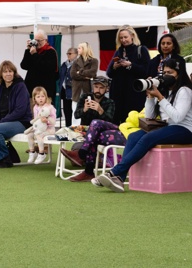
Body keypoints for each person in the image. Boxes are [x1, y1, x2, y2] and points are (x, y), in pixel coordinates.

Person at [93, 59, 192, 192]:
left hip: (185, 130)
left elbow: (178, 117)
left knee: (148, 138)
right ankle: (119, 179)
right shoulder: (166, 90)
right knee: (134, 136)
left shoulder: (184, 91)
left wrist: (160, 98)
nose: (167, 75)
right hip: (169, 127)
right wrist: (150, 97)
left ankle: (114, 172)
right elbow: (150, 116)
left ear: (179, 74)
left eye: (171, 72)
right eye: (165, 72)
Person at [60, 76, 119, 182]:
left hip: (101, 134)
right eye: (96, 87)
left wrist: (100, 111)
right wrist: (85, 109)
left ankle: (81, 155)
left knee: (95, 124)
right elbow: (76, 115)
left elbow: (110, 122)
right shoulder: (84, 97)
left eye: (101, 87)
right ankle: (86, 164)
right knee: (77, 142)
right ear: (93, 87)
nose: (98, 90)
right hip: (86, 134)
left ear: (106, 89)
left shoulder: (110, 102)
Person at [106, 25, 151, 124]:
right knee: (118, 122)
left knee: (133, 121)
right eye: (121, 38)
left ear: (132, 36)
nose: (123, 40)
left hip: (134, 94)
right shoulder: (118, 52)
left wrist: (131, 65)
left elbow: (146, 71)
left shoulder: (141, 50)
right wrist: (115, 66)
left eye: (125, 37)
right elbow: (109, 73)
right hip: (118, 95)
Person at [20, 29, 58, 102]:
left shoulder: (50, 51)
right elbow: (24, 66)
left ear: (46, 40)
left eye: (39, 40)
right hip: (31, 91)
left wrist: (35, 55)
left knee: (44, 113)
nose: (37, 43)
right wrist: (28, 50)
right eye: (35, 40)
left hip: (45, 92)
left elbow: (45, 68)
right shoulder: (33, 50)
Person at [26, 87, 56, 164]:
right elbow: (36, 119)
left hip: (49, 129)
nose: (40, 99)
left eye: (42, 96)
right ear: (34, 98)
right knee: (29, 135)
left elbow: (53, 121)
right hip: (39, 128)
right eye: (38, 97)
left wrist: (47, 121)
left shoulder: (50, 107)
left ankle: (41, 153)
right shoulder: (35, 107)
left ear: (46, 97)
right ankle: (32, 152)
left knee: (39, 135)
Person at [70, 42, 98, 126]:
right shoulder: (76, 62)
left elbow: (93, 73)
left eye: (79, 48)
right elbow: (73, 74)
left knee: (88, 111)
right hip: (77, 91)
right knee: (75, 111)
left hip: (87, 90)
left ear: (84, 49)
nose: (77, 49)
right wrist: (86, 76)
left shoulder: (93, 61)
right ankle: (74, 130)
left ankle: (87, 129)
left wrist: (80, 72)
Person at [59, 48, 77, 128]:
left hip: (73, 90)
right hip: (64, 90)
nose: (68, 55)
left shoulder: (77, 64)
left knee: (74, 109)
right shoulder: (64, 64)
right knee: (66, 110)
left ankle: (74, 127)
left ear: (76, 54)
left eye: (70, 53)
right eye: (67, 53)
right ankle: (67, 126)